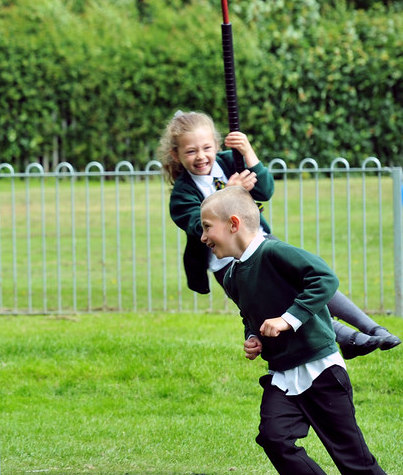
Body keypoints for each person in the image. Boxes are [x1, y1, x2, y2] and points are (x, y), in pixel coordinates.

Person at [200, 186, 403, 475]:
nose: (202, 236)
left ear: (234, 223)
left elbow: (324, 279)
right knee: (274, 438)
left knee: (355, 464)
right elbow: (250, 314)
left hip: (321, 372)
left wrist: (288, 319)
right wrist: (253, 338)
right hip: (283, 377)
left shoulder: (275, 253)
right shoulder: (232, 276)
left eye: (207, 227)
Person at [157, 110, 399, 359]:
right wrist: (229, 195)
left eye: (206, 147)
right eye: (190, 151)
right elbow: (199, 227)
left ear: (216, 146)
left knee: (310, 279)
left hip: (262, 244)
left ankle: (373, 328)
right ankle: (348, 339)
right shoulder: (182, 195)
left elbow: (265, 190)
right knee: (283, 301)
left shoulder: (230, 162)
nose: (201, 156)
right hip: (228, 263)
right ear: (176, 155)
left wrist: (248, 153)